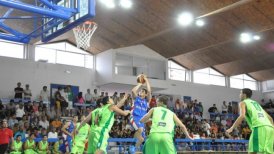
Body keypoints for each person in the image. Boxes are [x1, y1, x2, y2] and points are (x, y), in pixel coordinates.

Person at [226, 88, 274, 154]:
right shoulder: (256, 103)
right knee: (267, 152)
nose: (239, 95)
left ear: (244, 95)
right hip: (270, 128)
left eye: (240, 93)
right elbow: (270, 118)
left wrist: (231, 128)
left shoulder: (243, 103)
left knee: (252, 151)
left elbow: (242, 116)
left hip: (259, 127)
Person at [130, 75, 151, 148]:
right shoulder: (136, 98)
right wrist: (140, 84)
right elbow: (133, 91)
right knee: (140, 129)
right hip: (134, 117)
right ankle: (131, 146)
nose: (140, 92)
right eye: (140, 91)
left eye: (142, 91)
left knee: (142, 139)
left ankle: (132, 148)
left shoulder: (146, 101)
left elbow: (149, 91)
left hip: (142, 120)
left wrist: (146, 80)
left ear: (145, 94)